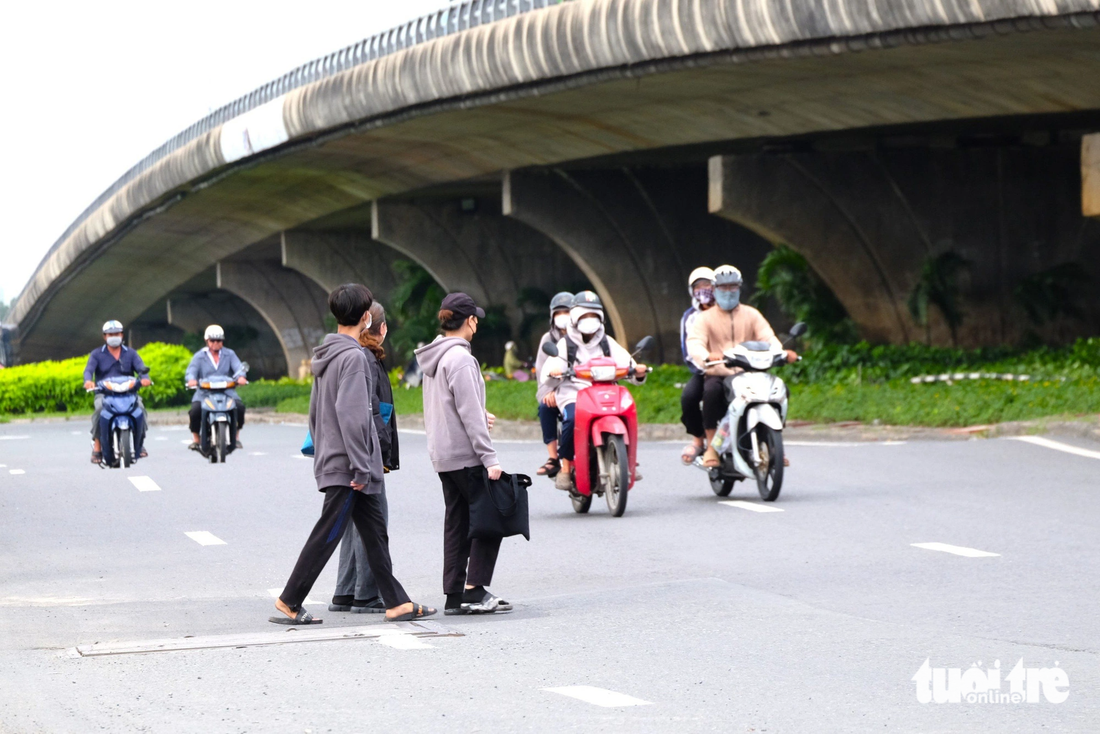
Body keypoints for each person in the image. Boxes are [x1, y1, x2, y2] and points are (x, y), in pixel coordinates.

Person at [271, 283, 434, 626]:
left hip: (338, 458)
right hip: (351, 467)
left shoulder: (325, 355)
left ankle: (396, 602)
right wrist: (361, 467)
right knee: (327, 534)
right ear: (365, 318)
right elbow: (353, 416)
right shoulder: (355, 358)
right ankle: (290, 599)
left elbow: (315, 413)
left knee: (375, 533)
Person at [415, 293, 512, 616]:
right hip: (466, 455)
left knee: (457, 523)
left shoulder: (435, 357)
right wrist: (490, 459)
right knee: (490, 520)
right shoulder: (461, 359)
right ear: (469, 321)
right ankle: (475, 590)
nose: (477, 325)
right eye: (476, 320)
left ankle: (454, 595)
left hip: (443, 455)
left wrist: (479, 415)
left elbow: (449, 406)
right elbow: (469, 412)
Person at [686, 265, 797, 468]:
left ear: (740, 288)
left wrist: (782, 353)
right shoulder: (704, 319)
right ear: (715, 289)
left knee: (781, 390)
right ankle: (712, 446)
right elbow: (695, 343)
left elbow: (768, 337)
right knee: (710, 392)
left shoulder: (752, 314)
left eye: (733, 287)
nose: (728, 292)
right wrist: (707, 355)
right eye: (723, 287)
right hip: (720, 372)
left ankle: (774, 441)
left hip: (751, 372)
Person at [330, 301, 399, 614]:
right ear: (381, 328)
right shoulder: (366, 360)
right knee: (374, 522)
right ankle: (367, 595)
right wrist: (378, 454)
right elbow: (369, 412)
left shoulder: (349, 356)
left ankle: (346, 592)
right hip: (364, 453)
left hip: (349, 451)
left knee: (353, 525)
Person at [541, 291, 648, 492]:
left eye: (594, 316)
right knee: (571, 419)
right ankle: (565, 467)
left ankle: (629, 461)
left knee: (625, 413)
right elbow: (547, 372)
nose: (590, 321)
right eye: (585, 316)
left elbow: (627, 363)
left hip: (605, 392)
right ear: (575, 318)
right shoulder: (566, 344)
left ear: (600, 318)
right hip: (573, 393)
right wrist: (554, 372)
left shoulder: (607, 341)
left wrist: (638, 371)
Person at [83, 320, 151, 464]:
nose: (114, 336)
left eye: (116, 333)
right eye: (110, 334)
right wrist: (88, 381)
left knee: (140, 408)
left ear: (122, 335)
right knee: (99, 410)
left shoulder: (131, 353)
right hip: (105, 393)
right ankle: (97, 447)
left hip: (129, 393)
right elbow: (88, 370)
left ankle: (139, 442)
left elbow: (141, 368)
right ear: (105, 337)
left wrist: (145, 379)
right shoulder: (96, 354)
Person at [185, 325, 248, 451]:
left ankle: (236, 436)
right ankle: (196, 438)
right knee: (195, 410)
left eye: (218, 341)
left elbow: (238, 368)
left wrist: (241, 377)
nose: (215, 343)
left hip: (227, 392)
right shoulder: (199, 356)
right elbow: (191, 370)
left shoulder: (230, 354)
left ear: (222, 341)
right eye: (212, 340)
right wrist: (191, 380)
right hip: (204, 393)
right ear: (207, 341)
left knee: (239, 407)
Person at [680, 268, 716, 464]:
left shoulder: (729, 311)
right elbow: (689, 348)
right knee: (689, 398)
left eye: (707, 285)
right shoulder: (690, 317)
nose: (703, 290)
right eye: (699, 287)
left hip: (732, 368)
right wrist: (704, 365)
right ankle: (699, 439)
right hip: (705, 370)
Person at [534, 291, 573, 478]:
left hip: (586, 390)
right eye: (559, 312)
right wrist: (548, 392)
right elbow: (542, 373)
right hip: (559, 392)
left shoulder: (589, 336)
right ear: (552, 316)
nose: (563, 316)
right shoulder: (548, 340)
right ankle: (553, 458)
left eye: (567, 311)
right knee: (545, 407)